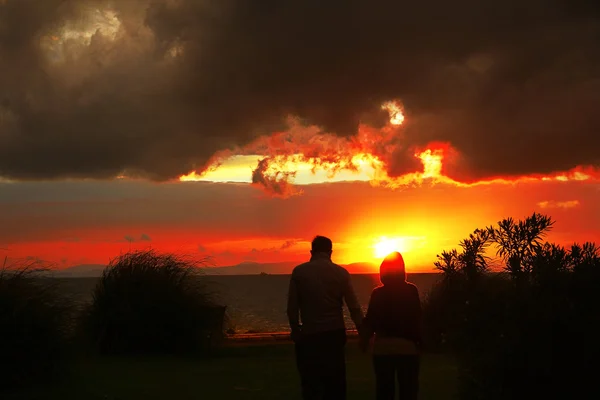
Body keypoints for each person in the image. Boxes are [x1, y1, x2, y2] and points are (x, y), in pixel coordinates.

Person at [287, 235, 363, 400]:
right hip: (334, 333)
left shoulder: (299, 272)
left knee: (310, 383)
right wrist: (362, 332)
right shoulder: (341, 273)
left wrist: (295, 329)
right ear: (331, 252)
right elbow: (353, 306)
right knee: (335, 382)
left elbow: (292, 306)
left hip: (309, 334)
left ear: (311, 251)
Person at [359, 251, 422, 400]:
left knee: (384, 391)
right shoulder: (411, 291)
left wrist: (364, 341)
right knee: (408, 391)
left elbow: (371, 320)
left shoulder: (377, 293)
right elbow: (417, 318)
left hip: (383, 348)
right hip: (407, 347)